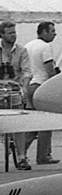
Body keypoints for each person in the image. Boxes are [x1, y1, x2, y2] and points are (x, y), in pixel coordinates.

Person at [21, 21, 61, 165]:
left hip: (30, 85)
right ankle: (44, 156)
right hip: (42, 86)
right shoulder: (46, 47)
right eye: (52, 31)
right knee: (46, 123)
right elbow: (50, 70)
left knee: (33, 124)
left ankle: (20, 151)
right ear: (44, 32)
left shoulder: (28, 45)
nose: (55, 34)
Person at [0, 21, 31, 169]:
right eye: (10, 33)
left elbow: (26, 71)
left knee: (19, 124)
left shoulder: (22, 50)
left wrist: (24, 86)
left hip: (14, 89)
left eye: (14, 32)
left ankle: (21, 157)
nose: (13, 35)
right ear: (2, 34)